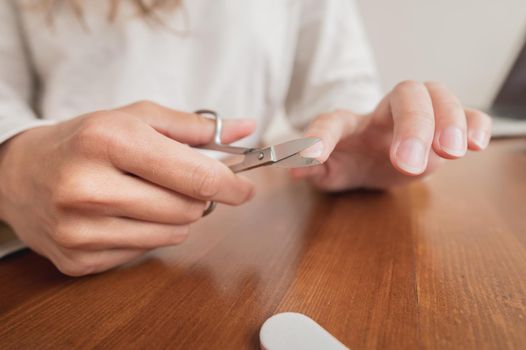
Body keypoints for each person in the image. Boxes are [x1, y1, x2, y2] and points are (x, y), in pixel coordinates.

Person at [0, 0, 492, 276]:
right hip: (52, 249)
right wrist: (12, 164)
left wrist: (365, 137)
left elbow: (341, 95)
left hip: (234, 259)